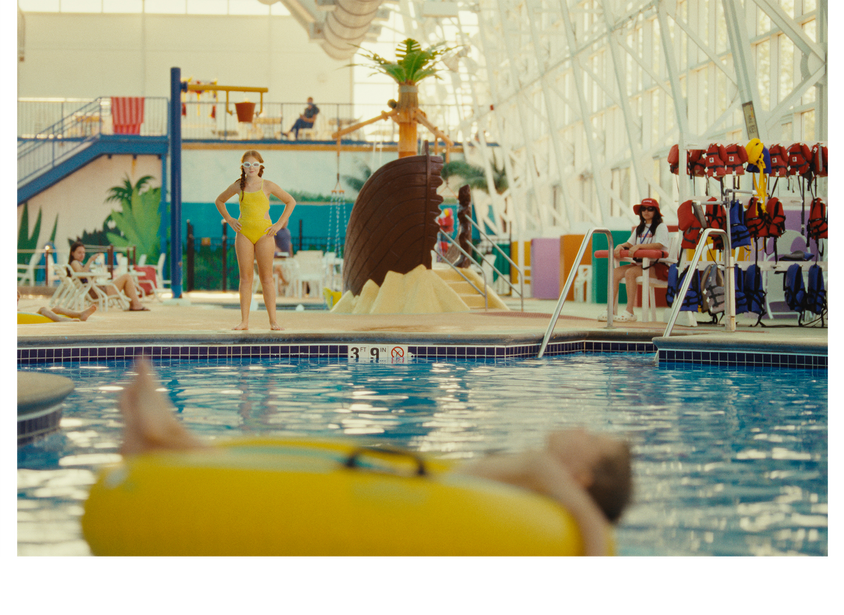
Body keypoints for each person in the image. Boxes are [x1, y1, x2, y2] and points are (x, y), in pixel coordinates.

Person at [114, 357, 632, 558]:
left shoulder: (551, 478)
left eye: (594, 438)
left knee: (289, 472)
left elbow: (593, 530)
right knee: (289, 458)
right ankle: (163, 441)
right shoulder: (542, 482)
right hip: (413, 488)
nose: (584, 426)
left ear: (581, 475)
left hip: (406, 496)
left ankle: (166, 438)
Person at [211, 151, 298, 331]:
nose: (251, 168)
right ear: (242, 167)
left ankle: (273, 321)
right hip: (244, 233)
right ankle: (244, 322)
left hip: (265, 234)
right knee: (246, 279)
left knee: (267, 279)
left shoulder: (268, 185)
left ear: (261, 166)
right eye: (247, 165)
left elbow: (290, 201)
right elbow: (219, 200)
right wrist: (229, 219)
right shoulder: (238, 186)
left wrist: (279, 224)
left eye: (255, 164)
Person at [609, 199, 672, 322]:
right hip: (641, 264)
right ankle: (610, 310)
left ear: (656, 211)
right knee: (615, 272)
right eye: (643, 209)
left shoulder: (661, 226)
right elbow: (629, 243)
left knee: (630, 273)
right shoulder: (640, 228)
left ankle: (629, 311)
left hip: (657, 266)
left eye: (650, 209)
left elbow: (659, 244)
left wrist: (639, 246)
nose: (646, 211)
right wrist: (620, 246)